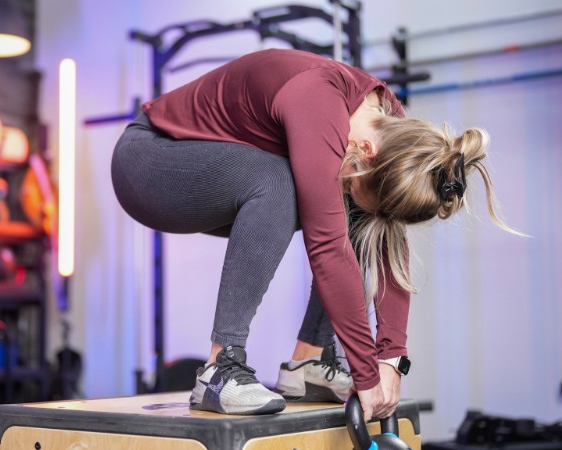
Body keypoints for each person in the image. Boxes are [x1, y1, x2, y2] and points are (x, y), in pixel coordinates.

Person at [110, 48, 516, 420]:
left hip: (217, 178)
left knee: (359, 216)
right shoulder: (319, 101)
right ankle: (220, 367)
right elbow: (326, 247)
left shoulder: (388, 125)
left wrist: (390, 359)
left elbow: (389, 245)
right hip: (149, 164)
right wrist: (365, 371)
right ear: (368, 151)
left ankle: (308, 363)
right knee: (285, 183)